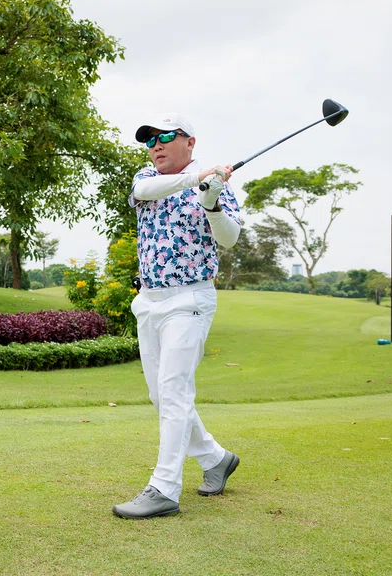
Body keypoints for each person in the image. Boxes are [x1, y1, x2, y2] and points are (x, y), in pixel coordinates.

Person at [112, 112, 243, 519]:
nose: (156, 146)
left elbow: (230, 238)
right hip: (149, 300)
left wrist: (211, 202)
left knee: (173, 392)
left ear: (190, 141)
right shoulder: (146, 178)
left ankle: (165, 488)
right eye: (149, 140)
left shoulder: (216, 187)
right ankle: (215, 458)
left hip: (190, 300)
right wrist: (196, 179)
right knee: (161, 395)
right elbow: (144, 190)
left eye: (165, 136)